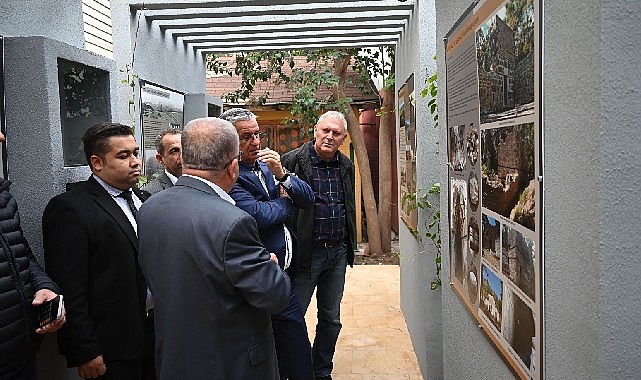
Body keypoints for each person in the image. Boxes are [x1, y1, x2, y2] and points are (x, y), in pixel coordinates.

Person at [137, 117, 291, 380]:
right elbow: (273, 296)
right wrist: (269, 267)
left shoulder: (150, 207)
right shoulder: (233, 222)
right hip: (228, 363)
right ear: (233, 168)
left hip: (174, 358)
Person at [43, 122, 154, 380]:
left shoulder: (144, 199)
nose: (136, 162)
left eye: (136, 153)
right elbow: (69, 287)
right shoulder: (70, 209)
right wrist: (84, 350)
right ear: (97, 163)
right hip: (111, 346)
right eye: (123, 156)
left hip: (153, 334)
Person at [221, 108, 314, 380]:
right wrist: (286, 201)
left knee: (296, 346)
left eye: (257, 134)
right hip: (259, 277)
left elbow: (307, 200)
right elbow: (258, 215)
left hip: (286, 273)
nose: (256, 142)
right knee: (266, 347)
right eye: (246, 137)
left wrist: (283, 174)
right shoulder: (231, 176)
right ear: (231, 142)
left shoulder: (266, 166)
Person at [281, 111, 356, 380]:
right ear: (315, 130)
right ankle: (293, 372)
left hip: (336, 253)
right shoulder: (291, 162)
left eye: (336, 133)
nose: (329, 137)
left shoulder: (346, 165)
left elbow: (347, 206)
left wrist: (350, 246)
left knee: (331, 319)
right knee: (293, 316)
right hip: (305, 254)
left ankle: (321, 371)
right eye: (325, 130)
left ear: (343, 138)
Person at [0, 129, 66, 380]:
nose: (2, 137)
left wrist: (44, 286)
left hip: (21, 356)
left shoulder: (3, 199)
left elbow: (22, 255)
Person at [141, 129, 182, 194]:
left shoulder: (199, 183)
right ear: (160, 159)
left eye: (186, 149)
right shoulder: (151, 193)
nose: (182, 156)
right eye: (174, 151)